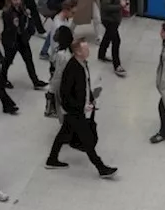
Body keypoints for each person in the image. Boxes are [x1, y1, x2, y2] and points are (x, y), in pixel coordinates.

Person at [46, 37, 118, 177]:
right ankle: (101, 168)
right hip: (75, 111)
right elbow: (65, 93)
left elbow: (85, 84)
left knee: (63, 134)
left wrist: (90, 98)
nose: (88, 50)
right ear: (78, 52)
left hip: (77, 109)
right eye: (85, 49)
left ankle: (51, 159)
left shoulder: (83, 63)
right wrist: (80, 107)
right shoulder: (72, 68)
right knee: (87, 140)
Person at [1, 0, 47, 89]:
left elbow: (25, 22)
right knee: (8, 60)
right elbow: (11, 27)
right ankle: (2, 78)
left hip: (22, 38)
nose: (18, 2)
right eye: (15, 0)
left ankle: (35, 81)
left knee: (28, 59)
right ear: (10, 0)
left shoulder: (22, 9)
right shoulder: (7, 12)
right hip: (11, 40)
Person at [98, 0, 129, 76]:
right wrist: (120, 6)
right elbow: (105, 7)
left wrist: (126, 1)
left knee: (108, 35)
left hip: (117, 17)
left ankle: (101, 54)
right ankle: (117, 65)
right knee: (116, 40)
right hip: (108, 18)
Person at [45, 25, 75, 118]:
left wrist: (52, 89)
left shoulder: (62, 55)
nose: (55, 34)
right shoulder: (68, 51)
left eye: (57, 32)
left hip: (62, 79)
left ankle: (51, 109)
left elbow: (58, 73)